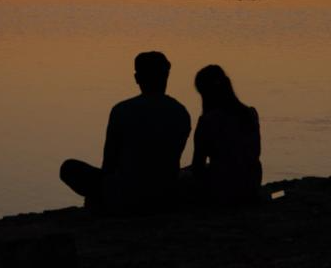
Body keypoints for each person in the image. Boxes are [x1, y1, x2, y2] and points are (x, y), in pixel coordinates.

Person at [60, 51, 191, 213]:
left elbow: (109, 162)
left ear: (137, 79)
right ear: (166, 76)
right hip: (165, 196)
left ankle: (102, 201)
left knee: (69, 168)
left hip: (125, 196)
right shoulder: (180, 112)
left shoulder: (122, 110)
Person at [190, 64, 262, 206]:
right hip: (251, 184)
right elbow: (254, 152)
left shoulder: (208, 121)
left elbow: (198, 164)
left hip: (223, 190)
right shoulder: (251, 114)